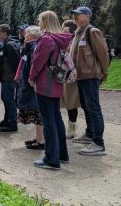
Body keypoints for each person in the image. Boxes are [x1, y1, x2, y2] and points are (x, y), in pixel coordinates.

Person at [29, 11, 72, 170]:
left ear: (45, 21)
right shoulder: (60, 39)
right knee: (56, 118)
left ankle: (51, 158)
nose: (39, 23)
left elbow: (37, 62)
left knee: (48, 121)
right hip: (56, 83)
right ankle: (61, 154)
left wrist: (31, 77)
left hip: (45, 84)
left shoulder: (46, 39)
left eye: (40, 20)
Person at [69, 6, 109, 156]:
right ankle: (90, 134)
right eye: (75, 15)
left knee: (93, 108)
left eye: (78, 15)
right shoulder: (79, 33)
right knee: (86, 106)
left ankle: (99, 143)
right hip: (81, 76)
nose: (75, 17)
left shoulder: (92, 32)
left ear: (87, 16)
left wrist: (104, 72)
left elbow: (103, 54)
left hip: (90, 76)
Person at [15, 26, 45, 150]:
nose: (25, 36)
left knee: (37, 112)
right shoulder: (28, 48)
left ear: (33, 36)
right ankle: (38, 138)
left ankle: (41, 140)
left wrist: (30, 80)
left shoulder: (33, 48)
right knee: (35, 112)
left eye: (27, 34)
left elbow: (34, 66)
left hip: (32, 85)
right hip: (28, 83)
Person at [0, 24, 20, 132]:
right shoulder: (4, 44)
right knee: (5, 98)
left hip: (9, 78)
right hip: (5, 77)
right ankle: (7, 119)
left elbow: (16, 62)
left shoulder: (10, 45)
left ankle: (12, 123)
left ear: (5, 33)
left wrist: (15, 77)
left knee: (9, 100)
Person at [60, 20, 81, 139]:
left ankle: (72, 129)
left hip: (72, 76)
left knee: (72, 103)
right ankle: (71, 128)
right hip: (66, 76)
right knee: (69, 103)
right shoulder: (66, 40)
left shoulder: (73, 41)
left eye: (64, 28)